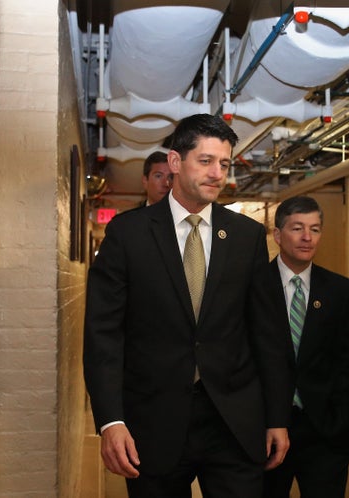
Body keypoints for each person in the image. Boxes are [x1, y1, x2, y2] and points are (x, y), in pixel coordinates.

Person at [83, 113, 293, 497]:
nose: (217, 173)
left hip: (233, 421)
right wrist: (111, 420)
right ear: (176, 163)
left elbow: (268, 333)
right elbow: (103, 335)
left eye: (225, 163)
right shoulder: (128, 235)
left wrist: (277, 416)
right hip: (154, 420)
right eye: (206, 161)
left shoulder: (246, 236)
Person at [262, 196, 349, 498]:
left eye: (315, 229)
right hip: (264, 430)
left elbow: (345, 360)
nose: (307, 237)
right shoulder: (252, 286)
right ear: (278, 235)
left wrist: (341, 420)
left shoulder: (339, 289)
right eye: (297, 228)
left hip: (324, 431)